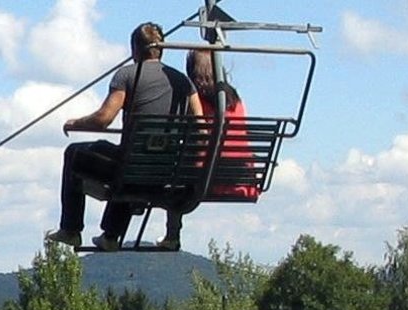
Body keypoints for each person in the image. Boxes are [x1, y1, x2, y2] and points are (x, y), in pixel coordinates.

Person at [46, 21, 199, 252]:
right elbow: (199, 119)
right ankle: (110, 235)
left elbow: (104, 118)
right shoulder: (183, 82)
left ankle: (71, 228)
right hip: (163, 169)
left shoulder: (127, 75)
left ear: (135, 49)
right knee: (130, 160)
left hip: (130, 167)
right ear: (161, 49)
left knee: (75, 152)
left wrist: (76, 122)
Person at [160, 49, 257, 250]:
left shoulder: (195, 101)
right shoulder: (235, 100)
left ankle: (172, 235)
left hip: (207, 175)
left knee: (175, 175)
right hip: (240, 176)